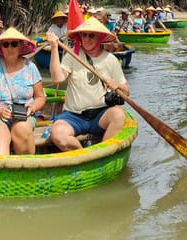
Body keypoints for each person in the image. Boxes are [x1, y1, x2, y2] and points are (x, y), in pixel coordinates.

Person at [46, 17, 130, 151]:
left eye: (91, 35)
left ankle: (104, 152)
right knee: (57, 133)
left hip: (100, 115)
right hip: (74, 116)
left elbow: (126, 92)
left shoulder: (111, 60)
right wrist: (54, 48)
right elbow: (57, 78)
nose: (86, 39)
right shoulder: (73, 56)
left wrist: (117, 85)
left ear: (100, 38)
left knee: (119, 114)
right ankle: (83, 155)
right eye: (84, 35)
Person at [0, 27, 46, 155]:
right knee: (1, 132)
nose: (10, 48)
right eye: (6, 45)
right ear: (1, 48)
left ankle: (25, 170)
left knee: (21, 128)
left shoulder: (31, 67)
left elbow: (40, 97)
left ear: (20, 47)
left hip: (24, 115)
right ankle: (1, 173)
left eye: (14, 44)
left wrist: (33, 107)